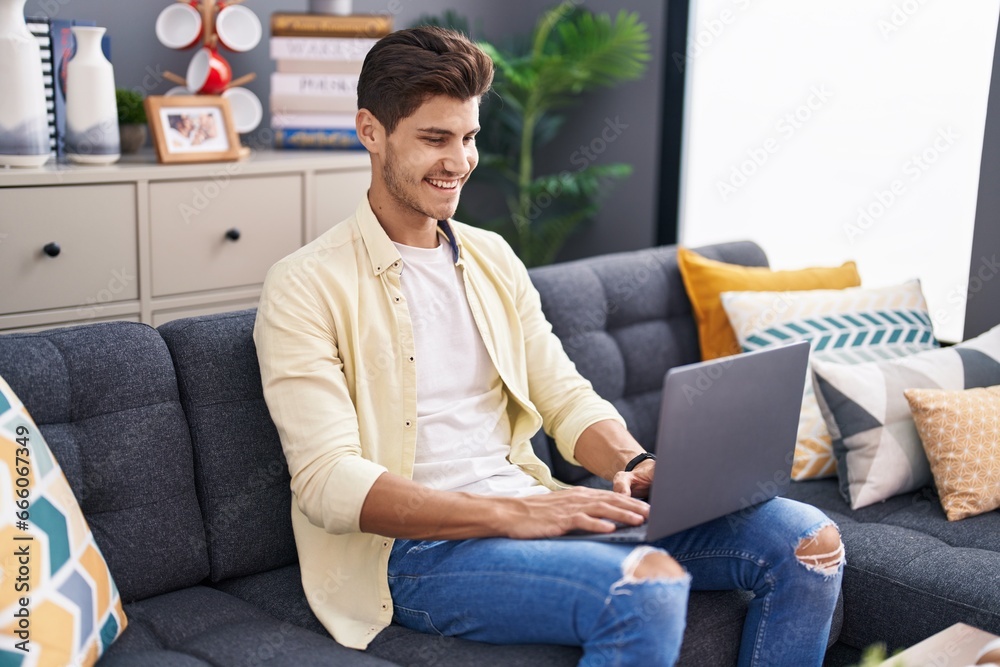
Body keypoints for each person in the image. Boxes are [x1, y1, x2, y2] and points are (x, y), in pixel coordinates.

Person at [253, 26, 845, 667]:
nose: (460, 161)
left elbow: (563, 395)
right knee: (644, 588)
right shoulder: (304, 285)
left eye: (469, 136)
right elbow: (327, 482)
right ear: (371, 131)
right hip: (415, 552)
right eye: (434, 138)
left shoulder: (491, 257)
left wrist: (636, 462)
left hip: (531, 506)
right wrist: (508, 514)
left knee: (808, 541)